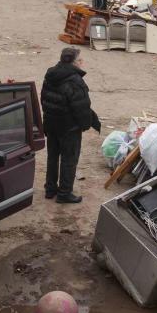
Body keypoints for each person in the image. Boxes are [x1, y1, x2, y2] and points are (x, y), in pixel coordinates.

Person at [39, 46, 101, 204]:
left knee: (52, 157)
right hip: (69, 128)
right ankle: (64, 193)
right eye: (80, 60)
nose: (82, 63)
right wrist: (86, 124)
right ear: (75, 63)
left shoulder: (50, 74)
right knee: (69, 159)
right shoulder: (75, 81)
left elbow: (43, 99)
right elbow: (81, 108)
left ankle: (50, 189)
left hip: (51, 124)